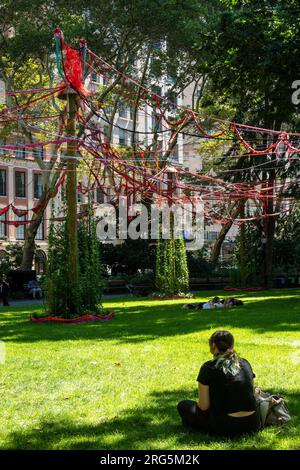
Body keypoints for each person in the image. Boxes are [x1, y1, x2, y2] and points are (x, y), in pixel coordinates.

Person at [177, 330, 261, 437]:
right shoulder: (245, 363)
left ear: (213, 345)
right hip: (252, 423)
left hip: (224, 426)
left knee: (184, 405)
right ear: (232, 344)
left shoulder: (208, 367)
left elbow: (203, 406)